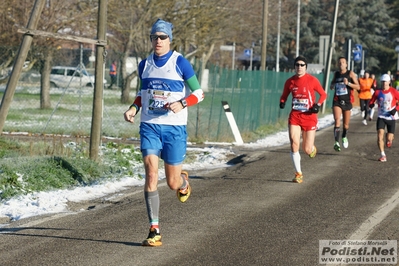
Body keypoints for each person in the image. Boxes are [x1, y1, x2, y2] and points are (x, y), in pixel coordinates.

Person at [123, 19, 204, 247]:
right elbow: (143, 93)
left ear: (170, 39)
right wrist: (134, 108)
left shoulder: (180, 63)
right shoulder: (144, 65)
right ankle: (154, 229)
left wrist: (183, 103)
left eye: (162, 37)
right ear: (150, 39)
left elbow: (199, 93)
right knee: (150, 173)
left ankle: (183, 182)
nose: (158, 41)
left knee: (171, 183)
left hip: (174, 129)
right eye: (154, 37)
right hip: (149, 125)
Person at [279, 55, 327, 183]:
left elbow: (323, 94)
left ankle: (312, 148)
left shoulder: (312, 80)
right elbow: (284, 95)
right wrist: (282, 101)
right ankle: (298, 174)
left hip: (309, 117)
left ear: (306, 67)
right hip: (295, 116)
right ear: (294, 67)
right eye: (297, 65)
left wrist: (317, 105)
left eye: (302, 65)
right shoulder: (290, 82)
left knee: (307, 149)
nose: (299, 67)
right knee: (294, 144)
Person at [330, 57, 360, 151]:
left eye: (343, 62)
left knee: (346, 125)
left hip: (347, 101)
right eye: (339, 62)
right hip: (337, 100)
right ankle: (336, 142)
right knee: (337, 120)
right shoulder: (336, 74)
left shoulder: (350, 73)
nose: (341, 64)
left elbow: (358, 87)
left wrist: (348, 84)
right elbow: (332, 84)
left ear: (346, 64)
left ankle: (344, 136)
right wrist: (332, 86)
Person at [368, 74, 399, 162]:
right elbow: (372, 100)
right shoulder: (378, 92)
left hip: (391, 117)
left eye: (385, 82)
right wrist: (371, 104)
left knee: (389, 138)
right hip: (381, 116)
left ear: (389, 82)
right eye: (382, 82)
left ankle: (389, 139)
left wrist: (396, 109)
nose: (384, 83)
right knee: (379, 135)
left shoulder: (393, 91)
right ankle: (383, 154)